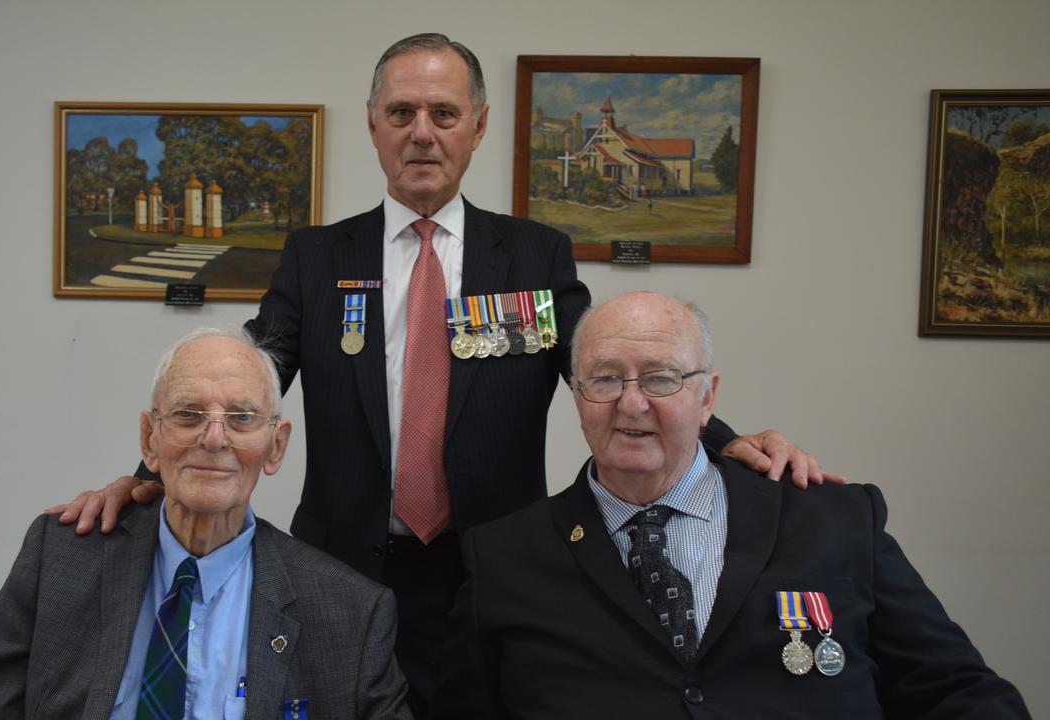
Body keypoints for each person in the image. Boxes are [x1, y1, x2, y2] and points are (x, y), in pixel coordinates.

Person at [49, 33, 839, 715]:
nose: (421, 133)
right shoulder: (318, 258)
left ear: (478, 127)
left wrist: (723, 439)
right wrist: (151, 472)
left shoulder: (533, 255)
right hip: (344, 573)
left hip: (497, 572)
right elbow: (246, 377)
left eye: (444, 114)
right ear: (373, 126)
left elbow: (609, 371)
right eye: (401, 114)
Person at [429, 291, 1029, 719]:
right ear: (578, 396)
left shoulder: (832, 520)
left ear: (708, 396)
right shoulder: (505, 558)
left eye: (662, 379)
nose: (631, 404)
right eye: (606, 379)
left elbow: (958, 692)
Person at [0, 329, 411, 720]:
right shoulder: (60, 559)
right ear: (149, 440)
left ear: (275, 447)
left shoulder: (350, 612)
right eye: (188, 414)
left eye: (242, 417)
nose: (214, 439)